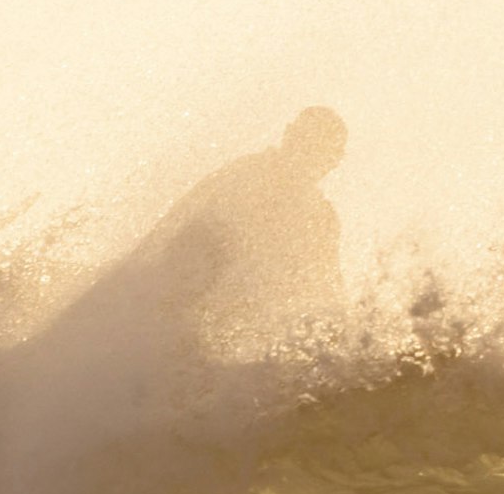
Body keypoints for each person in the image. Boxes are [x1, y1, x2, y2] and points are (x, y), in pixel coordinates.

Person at [133, 107, 348, 344]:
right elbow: (181, 214)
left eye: (319, 149)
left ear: (334, 161)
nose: (308, 154)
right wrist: (136, 270)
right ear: (288, 136)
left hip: (238, 322)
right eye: (306, 142)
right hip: (188, 292)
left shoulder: (321, 219)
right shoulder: (247, 172)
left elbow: (328, 288)